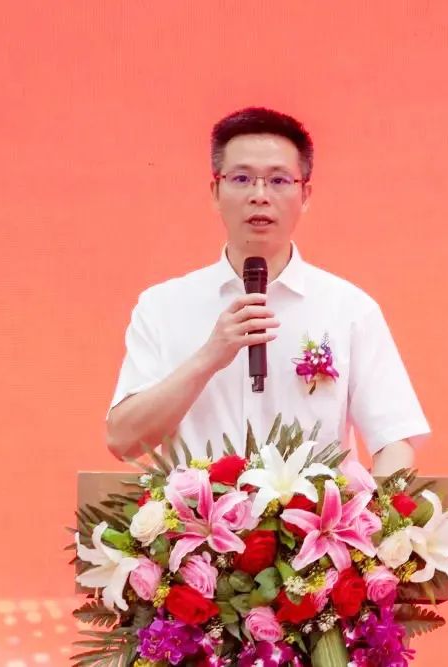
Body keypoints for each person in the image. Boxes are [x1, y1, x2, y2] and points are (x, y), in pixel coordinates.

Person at [105, 107, 429, 476]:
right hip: (197, 513)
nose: (259, 195)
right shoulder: (162, 306)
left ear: (305, 195)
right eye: (241, 178)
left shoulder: (350, 309)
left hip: (312, 514)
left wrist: (374, 508)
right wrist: (210, 356)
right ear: (215, 192)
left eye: (278, 180)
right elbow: (123, 440)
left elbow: (394, 440)